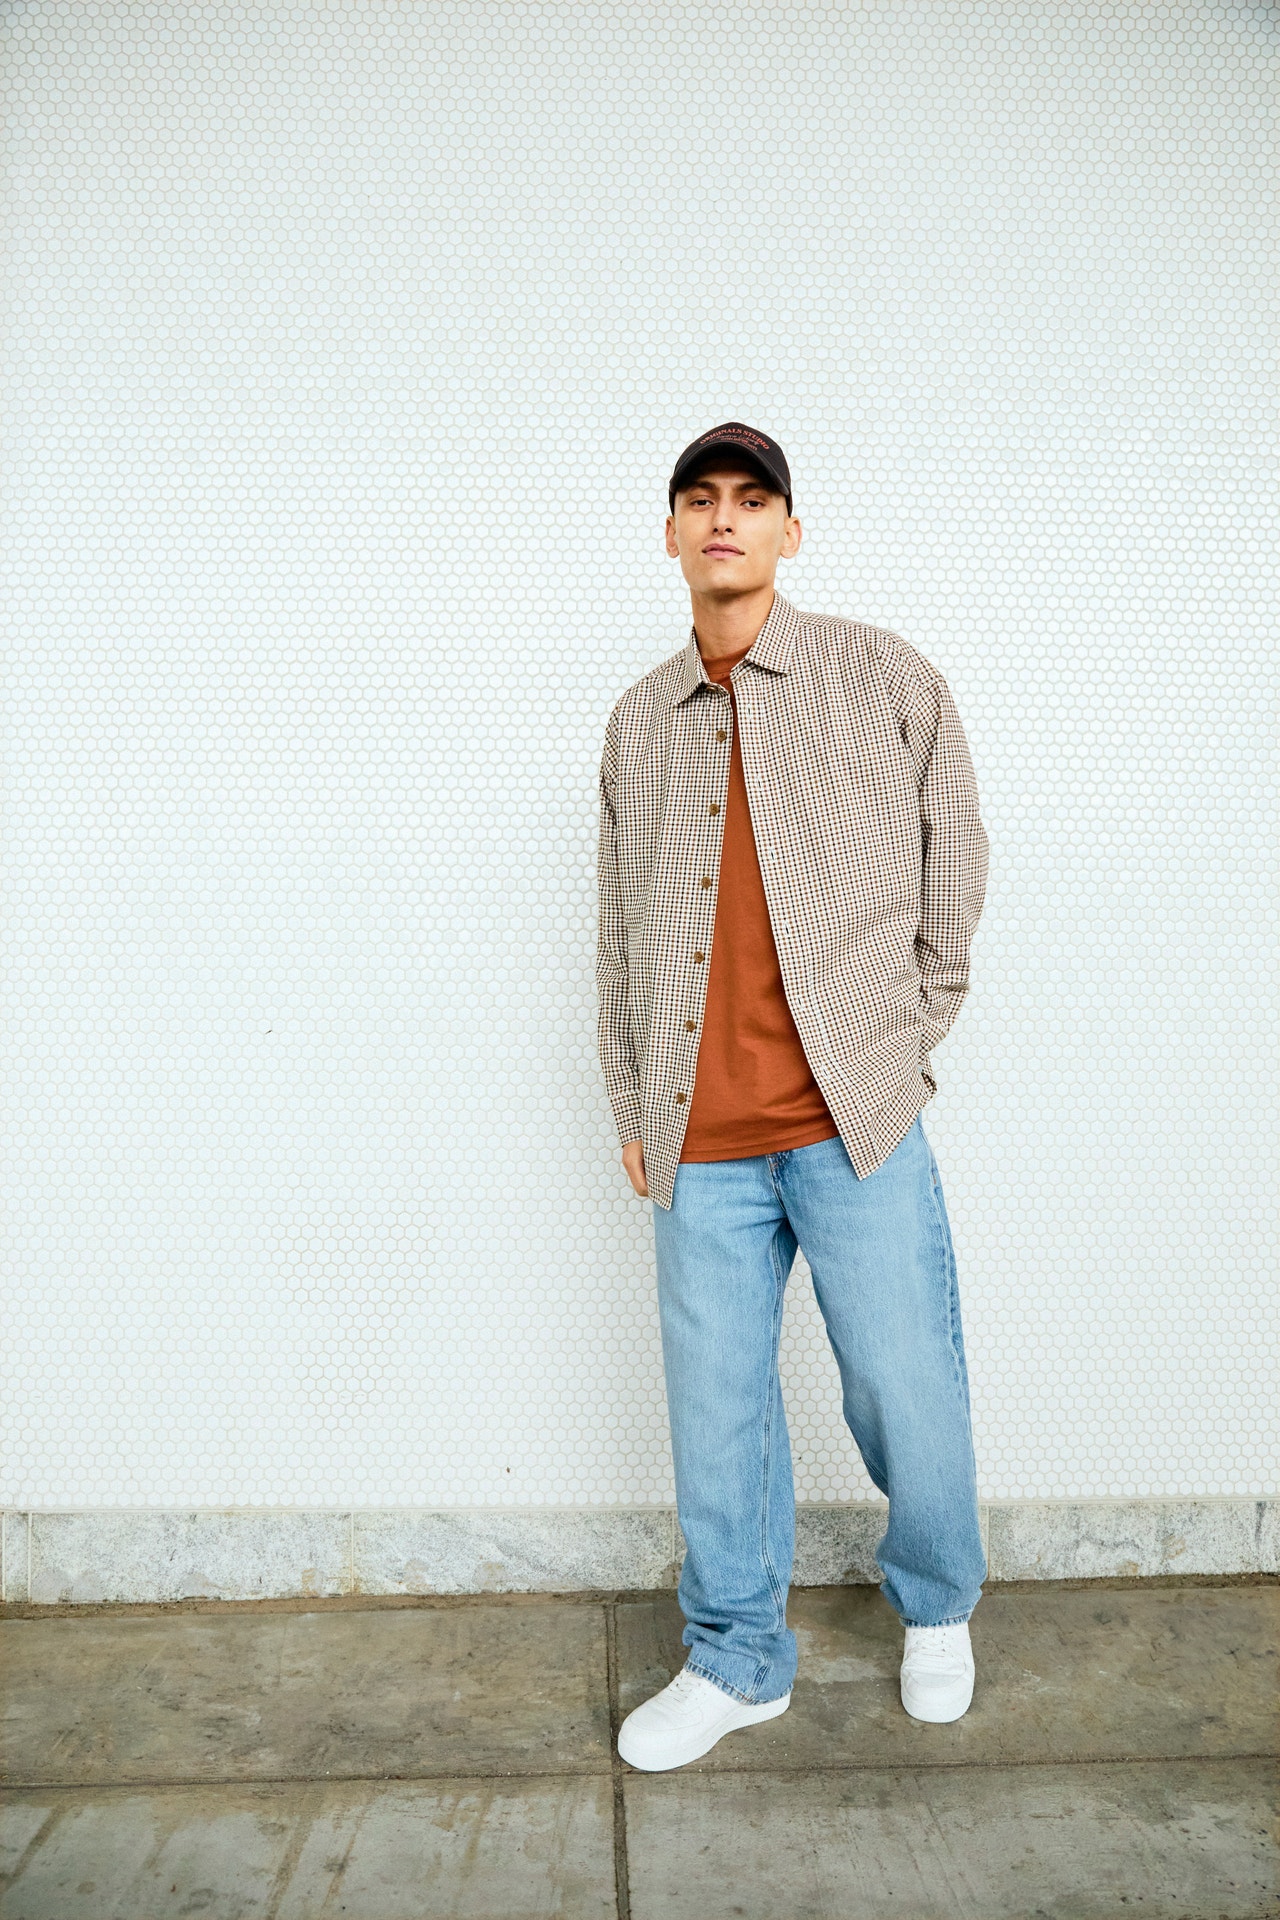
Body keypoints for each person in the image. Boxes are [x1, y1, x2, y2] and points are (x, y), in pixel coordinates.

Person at [596, 423, 989, 1773]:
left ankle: (937, 1605)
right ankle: (736, 1660)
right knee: (717, 1413)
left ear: (788, 532)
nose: (725, 519)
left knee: (903, 1379)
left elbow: (955, 863)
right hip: (698, 1133)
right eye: (699, 500)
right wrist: (635, 1102)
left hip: (852, 1115)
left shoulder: (881, 676)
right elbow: (620, 927)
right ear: (670, 534)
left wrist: (902, 1043)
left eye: (751, 499)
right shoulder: (639, 723)